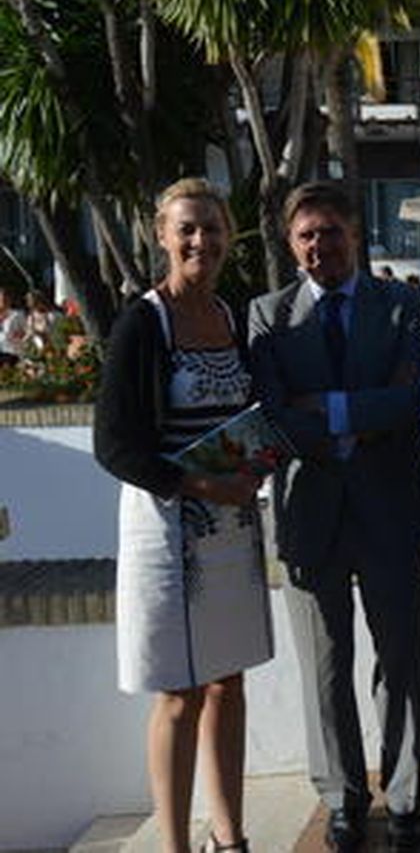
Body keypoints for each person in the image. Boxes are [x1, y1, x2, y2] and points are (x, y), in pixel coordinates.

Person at [247, 182, 420, 851]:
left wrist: (326, 410)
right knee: (326, 671)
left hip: (392, 506)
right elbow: (273, 414)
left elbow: (414, 398)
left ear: (354, 232)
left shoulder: (401, 303)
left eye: (331, 230)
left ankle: (407, 797)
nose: (319, 245)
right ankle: (342, 797)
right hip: (311, 516)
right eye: (306, 235)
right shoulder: (268, 315)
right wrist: (365, 407)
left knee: (402, 662)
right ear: (289, 243)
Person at [93, 177, 272, 853]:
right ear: (162, 236)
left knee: (229, 683)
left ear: (230, 237)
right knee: (178, 694)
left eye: (213, 228)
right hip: (165, 533)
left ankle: (229, 837)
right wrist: (197, 482)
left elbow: (243, 415)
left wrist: (256, 460)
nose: (202, 240)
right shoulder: (144, 321)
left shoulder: (230, 316)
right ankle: (174, 845)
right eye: (187, 228)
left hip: (231, 529)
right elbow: (112, 444)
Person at [0, 286, 27, 363]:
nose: (3, 301)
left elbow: (25, 332)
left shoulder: (17, 315)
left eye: (5, 299)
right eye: (1, 299)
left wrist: (19, 337)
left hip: (11, 352)